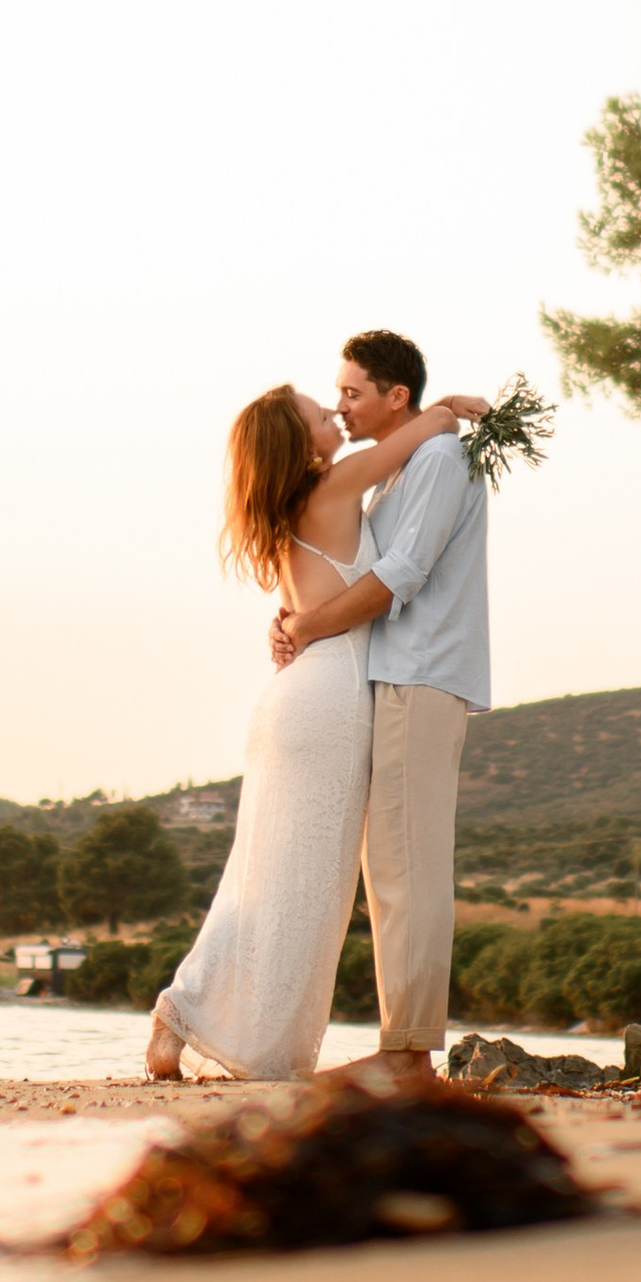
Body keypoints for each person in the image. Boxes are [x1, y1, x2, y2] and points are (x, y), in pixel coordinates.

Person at [144, 366, 487, 1083]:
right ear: (304, 451)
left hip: (292, 699)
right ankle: (246, 1037)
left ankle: (182, 1011)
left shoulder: (287, 509)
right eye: (321, 417)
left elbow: (307, 601)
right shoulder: (333, 486)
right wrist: (449, 404)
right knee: (307, 887)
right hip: (328, 700)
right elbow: (425, 432)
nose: (336, 415)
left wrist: (294, 625)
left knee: (262, 875)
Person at [266, 328, 494, 1098]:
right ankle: (404, 1045)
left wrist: (305, 629)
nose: (342, 405)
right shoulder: (399, 473)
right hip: (393, 675)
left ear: (399, 396)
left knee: (408, 864)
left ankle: (408, 1053)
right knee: (392, 864)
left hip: (418, 675)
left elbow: (400, 576)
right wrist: (295, 611)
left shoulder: (437, 458)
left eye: (355, 392)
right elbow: (354, 569)